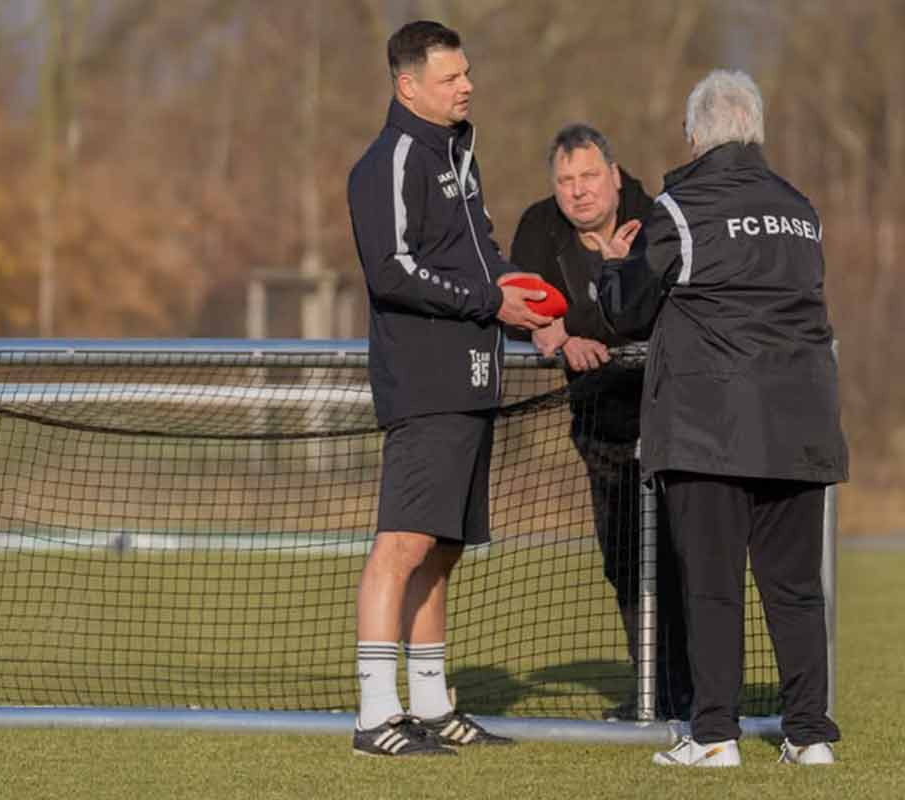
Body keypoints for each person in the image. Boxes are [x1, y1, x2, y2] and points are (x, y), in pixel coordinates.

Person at [589, 70, 849, 767]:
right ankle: (809, 734)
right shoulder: (802, 209)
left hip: (711, 431)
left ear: (697, 134)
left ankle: (712, 735)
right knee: (796, 589)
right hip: (802, 425)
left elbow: (627, 310)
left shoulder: (681, 209)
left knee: (711, 585)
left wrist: (611, 267)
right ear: (756, 129)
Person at [346, 20, 552, 757]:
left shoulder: (460, 149)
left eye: (466, 73)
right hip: (424, 380)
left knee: (442, 549)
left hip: (474, 376)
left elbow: (482, 252)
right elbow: (392, 271)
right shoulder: (389, 160)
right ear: (408, 86)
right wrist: (489, 303)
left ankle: (433, 707)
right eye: (450, 77)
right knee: (400, 544)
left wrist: (530, 310)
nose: (466, 86)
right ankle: (376, 716)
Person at [509, 124, 692, 721]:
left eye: (589, 177)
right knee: (624, 562)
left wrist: (578, 322)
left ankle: (695, 692)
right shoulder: (540, 228)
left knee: (683, 558)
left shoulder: (659, 217)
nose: (578, 192)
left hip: (675, 416)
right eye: (566, 181)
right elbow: (515, 305)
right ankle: (654, 693)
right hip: (600, 423)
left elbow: (651, 310)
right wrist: (551, 332)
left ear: (615, 175)